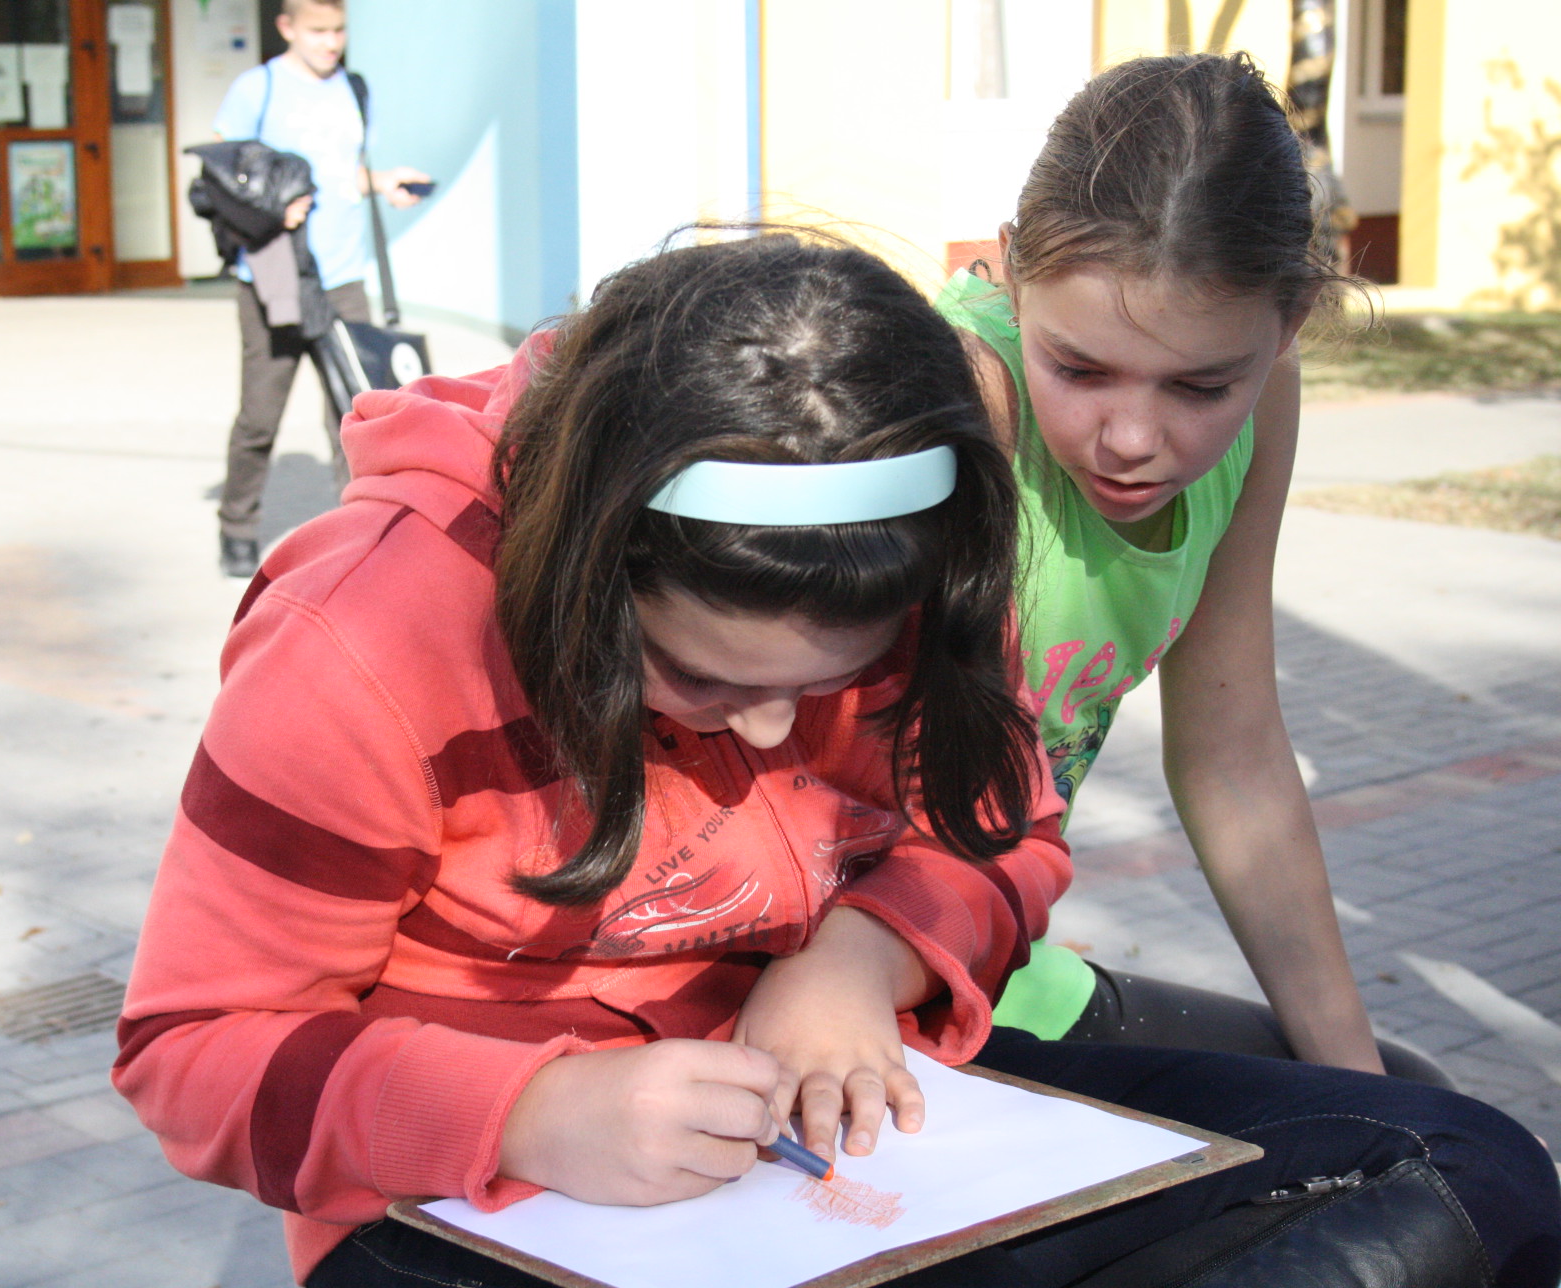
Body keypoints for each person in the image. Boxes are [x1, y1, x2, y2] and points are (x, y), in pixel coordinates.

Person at [114, 232, 1557, 1286]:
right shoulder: (367, 640)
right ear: (587, 565)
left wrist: (862, 957)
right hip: (473, 1209)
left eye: (824, 686)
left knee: (1460, 1165)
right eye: (698, 678)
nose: (763, 735)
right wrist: (527, 1111)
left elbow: (1005, 825)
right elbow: (191, 1052)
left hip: (847, 1150)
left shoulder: (906, 546)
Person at [934, 52, 1450, 1084]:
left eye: (1200, 387)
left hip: (1008, 982)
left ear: (1288, 324)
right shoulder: (955, 402)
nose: (1132, 439)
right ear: (1013, 272)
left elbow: (1233, 756)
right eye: (1078, 368)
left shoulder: (1268, 399)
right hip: (849, 1010)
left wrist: (1367, 1093)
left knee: (1418, 1116)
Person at [210, 0, 429, 578]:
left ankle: (361, 533)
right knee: (260, 415)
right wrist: (271, 208)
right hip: (274, 275)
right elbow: (218, 176)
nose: (331, 43)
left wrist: (383, 183)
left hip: (343, 276)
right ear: (286, 27)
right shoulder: (257, 89)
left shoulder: (353, 89)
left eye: (339, 31)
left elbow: (342, 172)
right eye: (318, 32)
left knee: (354, 413)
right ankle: (237, 528)